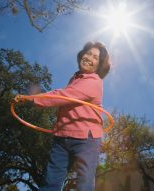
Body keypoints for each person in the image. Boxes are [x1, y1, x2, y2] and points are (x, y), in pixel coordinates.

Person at [15, 41, 111, 191]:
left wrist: (31, 98)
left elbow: (64, 96)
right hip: (62, 137)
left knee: (84, 182)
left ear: (99, 66)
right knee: (51, 181)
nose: (89, 58)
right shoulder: (75, 78)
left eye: (95, 57)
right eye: (88, 53)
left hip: (87, 139)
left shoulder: (94, 82)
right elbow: (65, 101)